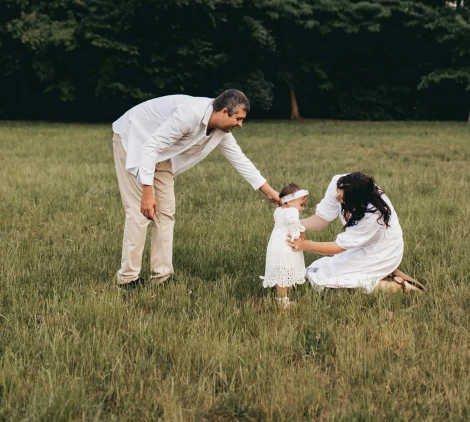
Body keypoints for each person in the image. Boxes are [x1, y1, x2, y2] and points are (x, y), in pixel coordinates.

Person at [112, 89, 280, 289]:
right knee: (139, 214)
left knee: (165, 213)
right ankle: (128, 279)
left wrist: (270, 193)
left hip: (160, 152)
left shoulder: (220, 131)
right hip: (133, 140)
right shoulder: (188, 115)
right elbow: (149, 148)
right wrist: (147, 193)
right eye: (239, 119)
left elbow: (239, 159)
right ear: (224, 112)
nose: (240, 124)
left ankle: (162, 276)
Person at [288, 172, 419, 293]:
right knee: (324, 273)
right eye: (337, 193)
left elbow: (339, 247)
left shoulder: (372, 214)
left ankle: (400, 286)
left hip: (382, 249)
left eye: (341, 198)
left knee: (340, 284)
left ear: (356, 202)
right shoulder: (340, 184)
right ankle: (382, 273)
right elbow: (321, 219)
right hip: (357, 244)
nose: (336, 197)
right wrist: (294, 224)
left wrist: (305, 245)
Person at [262, 183, 308, 306]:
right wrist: (300, 232)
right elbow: (293, 223)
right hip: (286, 246)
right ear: (290, 201)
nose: (302, 209)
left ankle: (281, 299)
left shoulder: (278, 211)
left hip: (275, 246)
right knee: (285, 272)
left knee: (279, 273)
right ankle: (283, 301)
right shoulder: (292, 211)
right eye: (301, 205)